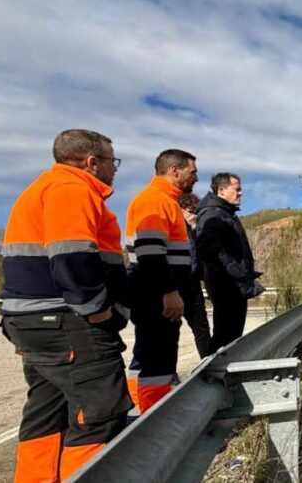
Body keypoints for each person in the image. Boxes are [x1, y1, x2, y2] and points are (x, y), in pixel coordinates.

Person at [0, 129, 132, 481]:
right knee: (99, 415)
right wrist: (97, 308)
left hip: (36, 321)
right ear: (91, 162)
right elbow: (72, 256)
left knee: (47, 414)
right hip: (68, 322)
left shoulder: (41, 189)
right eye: (110, 161)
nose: (113, 169)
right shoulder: (71, 190)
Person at [125, 149, 197, 412]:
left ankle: (139, 407)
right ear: (175, 171)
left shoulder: (165, 201)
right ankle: (154, 416)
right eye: (192, 172)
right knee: (157, 360)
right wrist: (169, 292)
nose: (196, 178)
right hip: (155, 297)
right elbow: (151, 253)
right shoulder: (154, 201)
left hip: (155, 294)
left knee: (148, 356)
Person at [197, 172, 265, 354]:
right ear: (221, 190)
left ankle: (222, 374)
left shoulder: (224, 213)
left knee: (230, 337)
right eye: (237, 189)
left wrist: (247, 272)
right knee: (225, 338)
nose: (241, 193)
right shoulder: (213, 214)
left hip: (231, 284)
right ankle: (215, 375)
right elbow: (210, 251)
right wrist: (238, 273)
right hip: (226, 286)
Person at [178, 192, 211, 358]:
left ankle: (208, 365)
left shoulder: (196, 229)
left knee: (201, 328)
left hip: (193, 284)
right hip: (175, 283)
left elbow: (203, 254)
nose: (193, 215)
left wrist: (195, 228)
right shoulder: (174, 228)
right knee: (170, 330)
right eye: (191, 211)